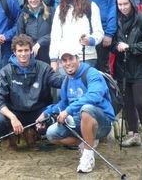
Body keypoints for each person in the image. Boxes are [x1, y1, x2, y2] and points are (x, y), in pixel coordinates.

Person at [36, 45, 115, 174]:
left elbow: (94, 96)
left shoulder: (92, 73)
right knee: (51, 134)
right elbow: (63, 103)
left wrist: (68, 111)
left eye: (71, 59)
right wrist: (45, 114)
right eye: (64, 60)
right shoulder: (67, 80)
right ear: (61, 63)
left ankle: (88, 155)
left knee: (86, 109)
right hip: (78, 121)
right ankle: (87, 141)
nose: (68, 63)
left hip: (102, 122)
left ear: (78, 59)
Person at [0, 35, 62, 149]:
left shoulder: (43, 68)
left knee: (52, 119)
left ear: (31, 50)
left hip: (37, 112)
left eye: (26, 50)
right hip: (15, 112)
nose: (23, 54)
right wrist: (13, 118)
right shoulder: (5, 71)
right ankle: (12, 134)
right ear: (14, 52)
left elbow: (59, 81)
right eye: (20, 51)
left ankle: (33, 132)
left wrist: (74, 75)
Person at [112, 0, 142, 150]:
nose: (122, 7)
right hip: (123, 68)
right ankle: (133, 134)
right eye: (120, 4)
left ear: (131, 3)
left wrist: (130, 47)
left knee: (141, 102)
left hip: (141, 67)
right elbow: (113, 44)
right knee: (127, 103)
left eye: (125, 4)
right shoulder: (116, 21)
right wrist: (117, 47)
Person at [49, 0, 103, 72]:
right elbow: (55, 35)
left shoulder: (91, 6)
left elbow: (99, 32)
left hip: (86, 57)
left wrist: (90, 40)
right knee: (65, 87)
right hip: (66, 59)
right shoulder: (60, 8)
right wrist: (53, 59)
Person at [17, 0, 52, 64]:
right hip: (31, 56)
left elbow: (56, 33)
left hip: (48, 54)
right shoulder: (23, 16)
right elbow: (20, 36)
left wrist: (40, 43)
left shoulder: (50, 12)